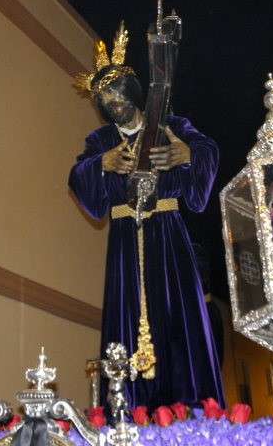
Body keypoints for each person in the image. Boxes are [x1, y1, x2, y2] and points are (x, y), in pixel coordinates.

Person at [69, 23, 224, 409]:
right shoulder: (101, 140)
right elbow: (78, 174)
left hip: (169, 234)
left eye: (118, 94)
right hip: (125, 238)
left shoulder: (171, 125)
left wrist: (187, 154)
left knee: (178, 317)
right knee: (128, 316)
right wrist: (102, 164)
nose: (114, 104)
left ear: (134, 91)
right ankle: (131, 410)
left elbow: (208, 149)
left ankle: (190, 409)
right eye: (105, 100)